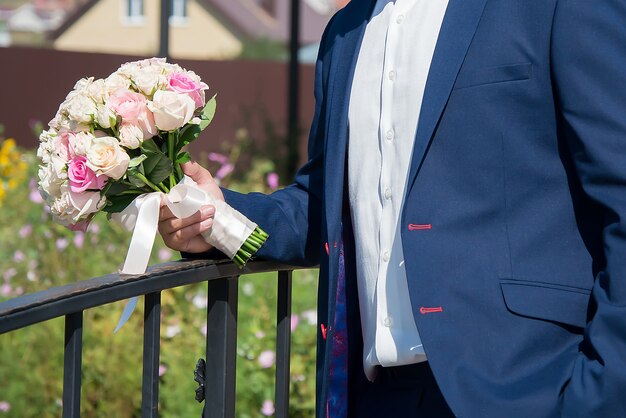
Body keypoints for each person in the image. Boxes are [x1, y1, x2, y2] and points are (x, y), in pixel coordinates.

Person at [159, 0, 626, 416]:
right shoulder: (345, 32)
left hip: (526, 384)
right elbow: (326, 203)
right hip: (374, 394)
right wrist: (219, 218)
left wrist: (597, 396)